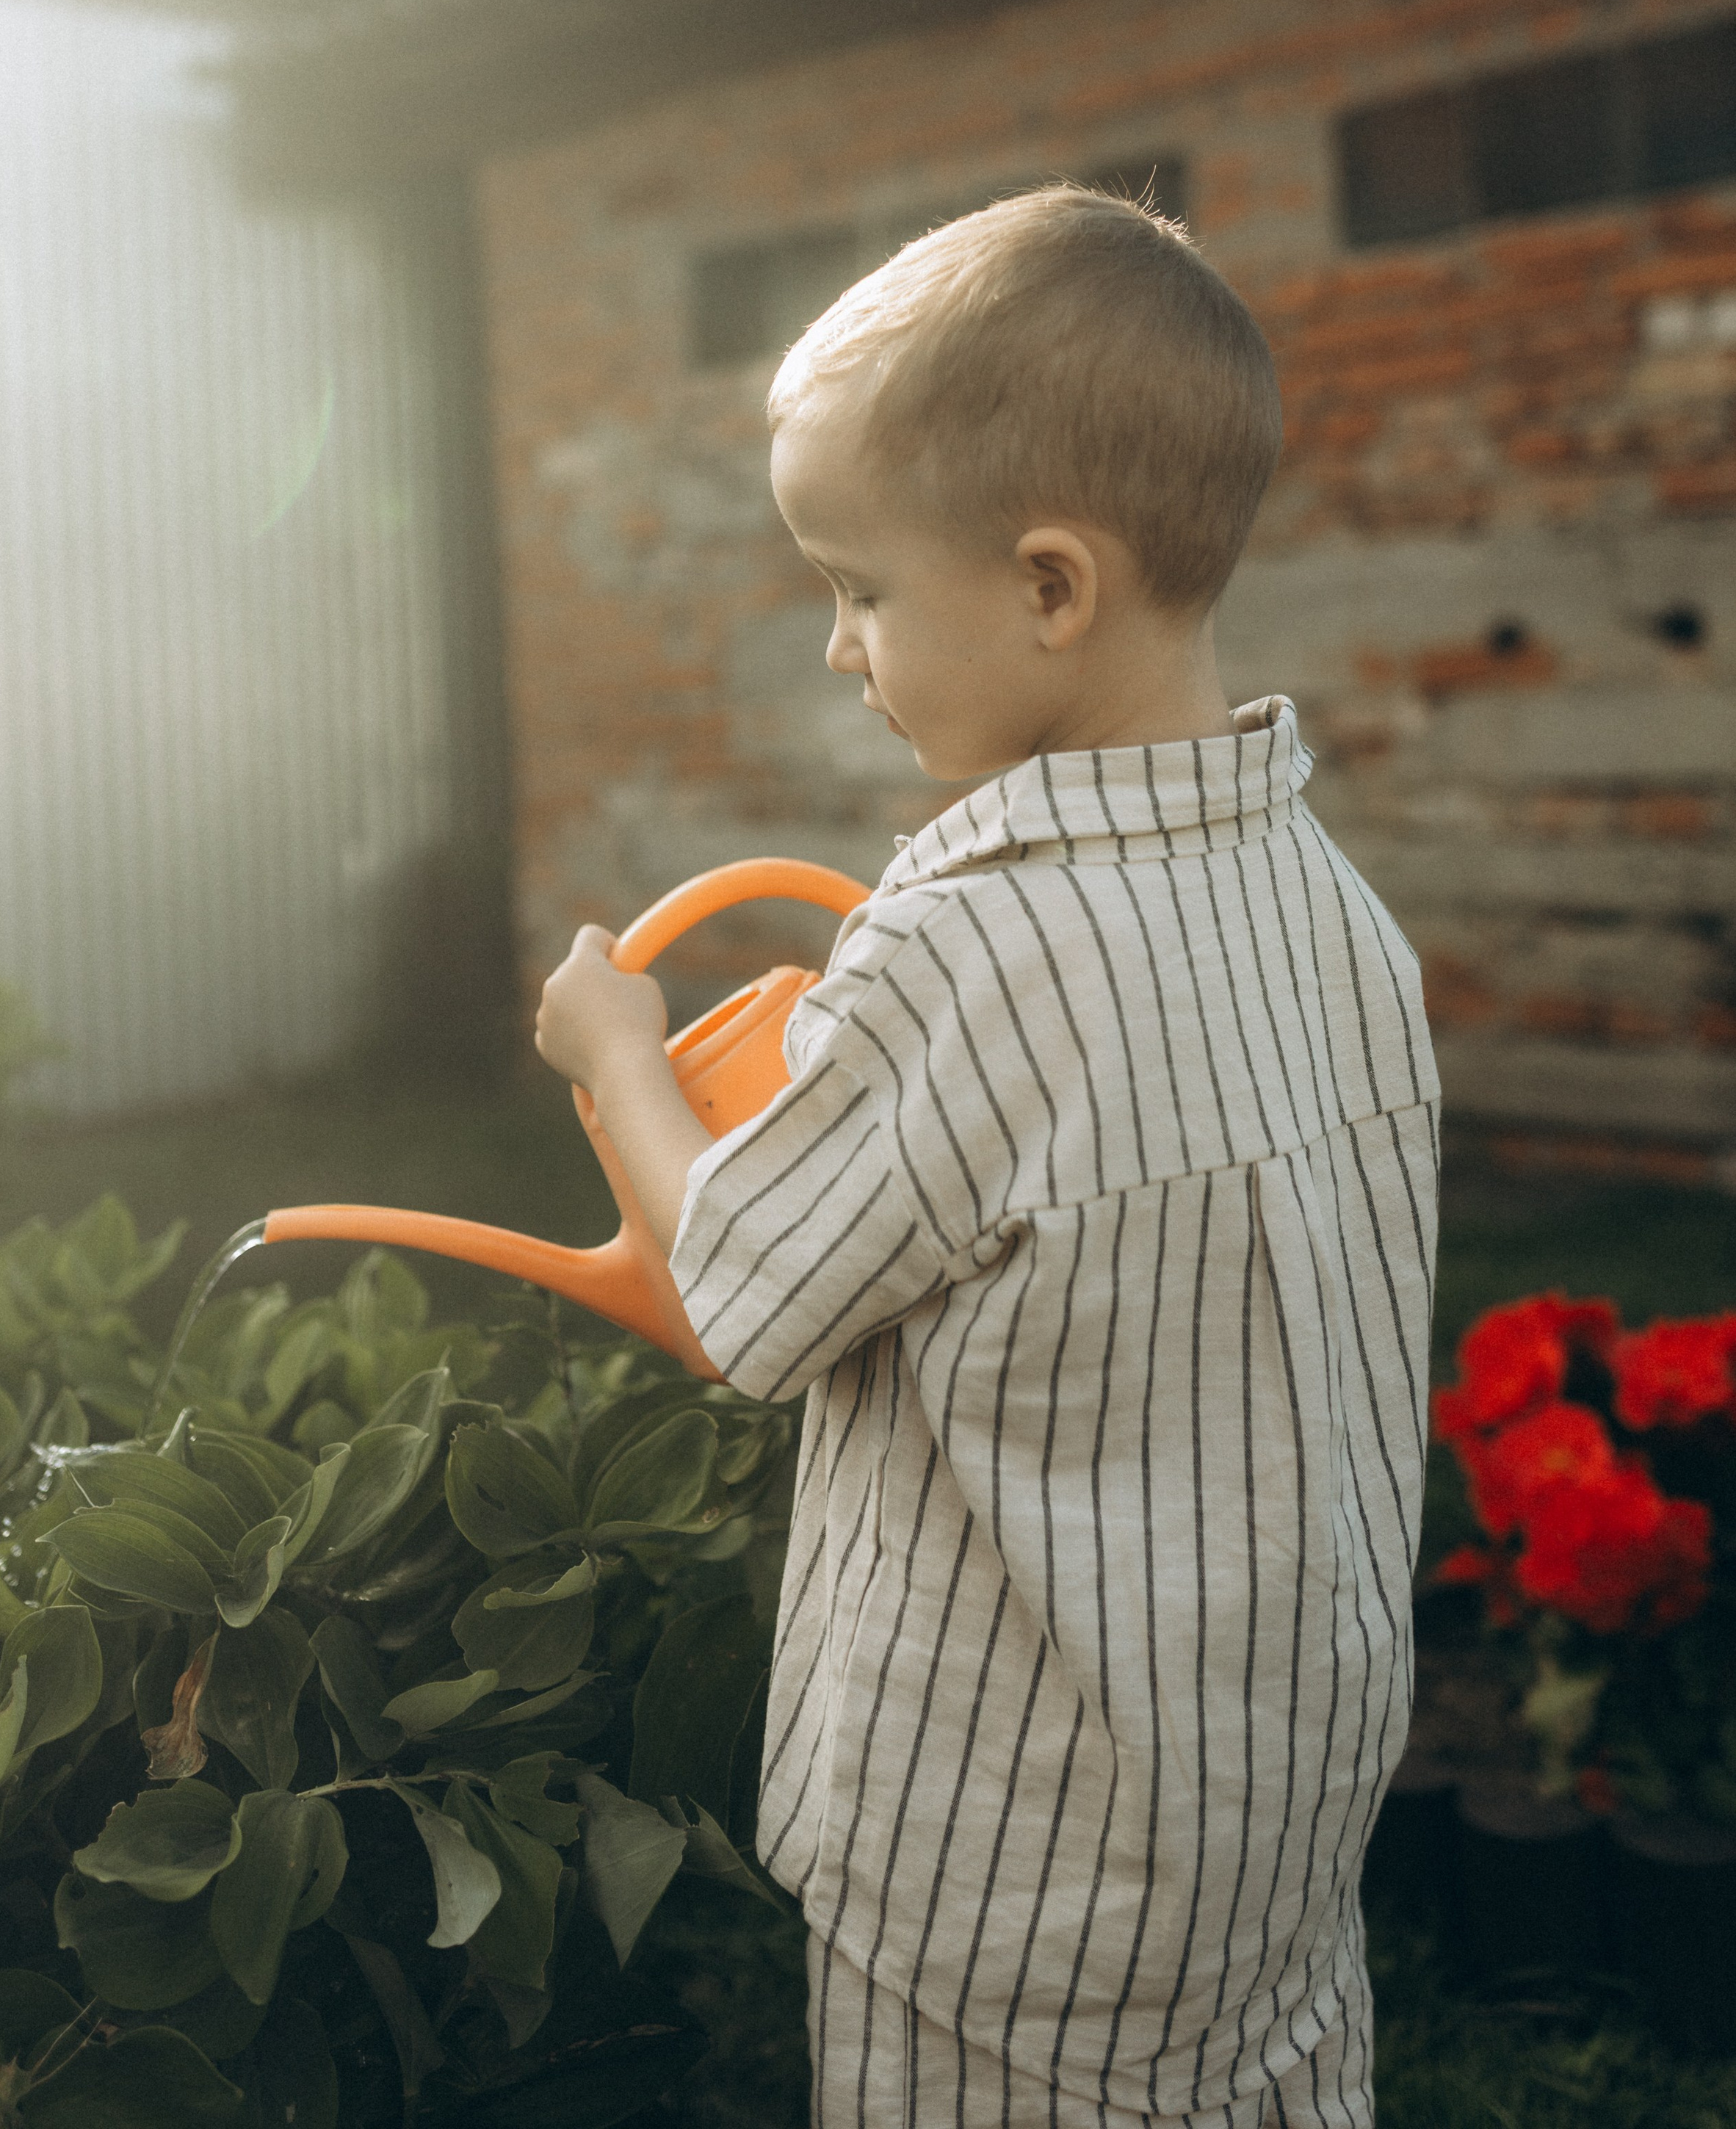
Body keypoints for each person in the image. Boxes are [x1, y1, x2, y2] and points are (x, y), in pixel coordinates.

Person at [535, 185, 1438, 2128]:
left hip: (1010, 1868)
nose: (838, 648)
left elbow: (743, 1291)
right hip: (1267, 1830)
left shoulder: (967, 948)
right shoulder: (1333, 909)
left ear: (1050, 586)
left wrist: (620, 1060)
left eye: (859, 588)